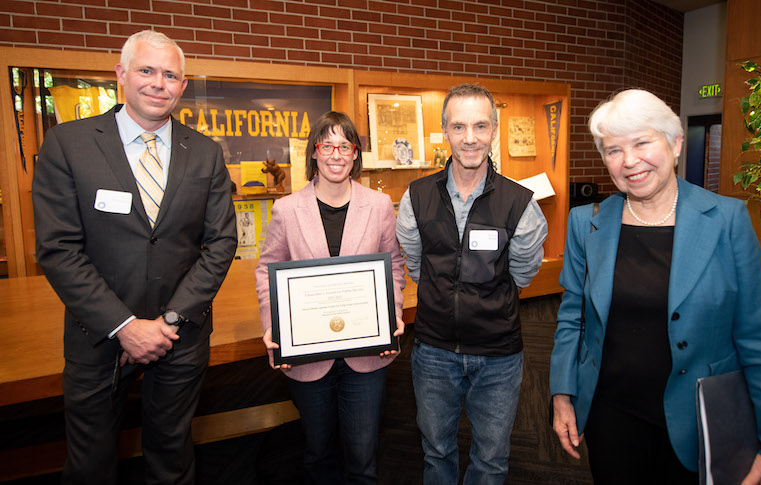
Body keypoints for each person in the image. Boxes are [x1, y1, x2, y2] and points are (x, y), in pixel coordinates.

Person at [549, 89, 761, 484]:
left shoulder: (727, 220)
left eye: (642, 142)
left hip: (704, 419)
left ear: (675, 142)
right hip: (611, 416)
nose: (629, 161)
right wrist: (563, 393)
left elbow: (759, 337)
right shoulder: (587, 223)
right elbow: (573, 316)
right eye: (613, 150)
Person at [32, 30, 237, 484]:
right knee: (90, 464)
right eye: (146, 70)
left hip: (180, 336)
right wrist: (125, 327)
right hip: (98, 336)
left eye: (170, 75)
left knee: (171, 457)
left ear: (183, 86)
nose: (158, 83)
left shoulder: (204, 153)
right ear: (121, 75)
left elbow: (221, 243)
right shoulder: (69, 144)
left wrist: (172, 320)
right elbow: (57, 248)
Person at [395, 83, 548, 484]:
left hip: (498, 354)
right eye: (459, 127)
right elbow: (415, 264)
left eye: (480, 126)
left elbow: (524, 274)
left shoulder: (521, 203)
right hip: (433, 350)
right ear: (445, 131)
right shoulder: (416, 197)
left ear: (494, 130)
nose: (469, 138)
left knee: (491, 461)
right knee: (436, 453)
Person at [254, 111, 406, 484]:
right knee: (317, 455)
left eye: (345, 145)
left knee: (363, 459)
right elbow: (267, 270)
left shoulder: (380, 205)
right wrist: (275, 327)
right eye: (327, 145)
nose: (336, 154)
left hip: (367, 356)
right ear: (315, 152)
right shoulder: (287, 209)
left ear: (356, 154)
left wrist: (392, 314)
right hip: (308, 358)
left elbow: (394, 266)